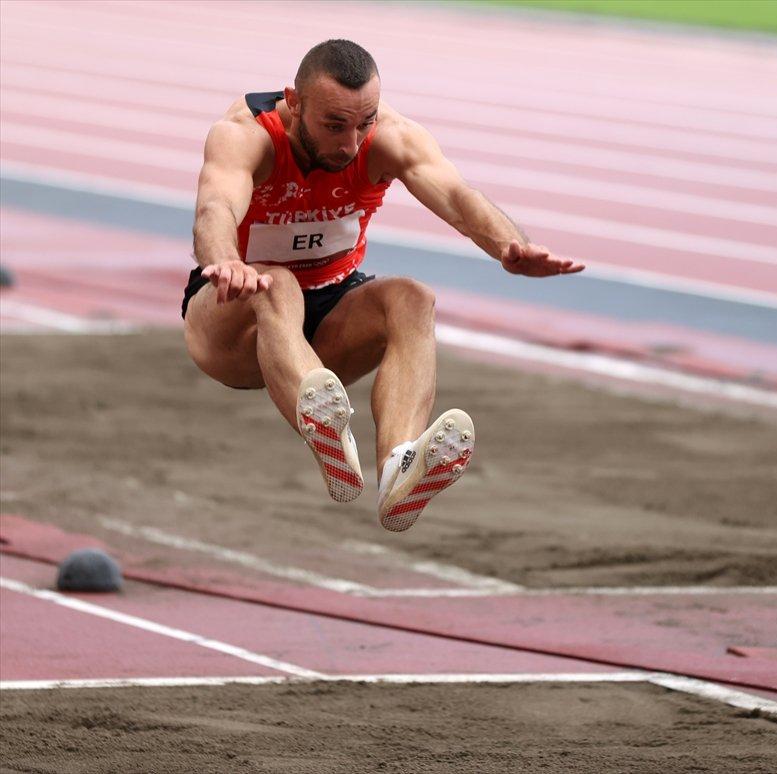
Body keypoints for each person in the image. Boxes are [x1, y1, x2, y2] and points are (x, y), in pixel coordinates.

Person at [183, 39, 584, 532]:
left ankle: (398, 467)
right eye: (334, 126)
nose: (351, 144)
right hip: (236, 319)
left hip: (330, 314)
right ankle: (327, 428)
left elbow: (457, 195)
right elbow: (215, 208)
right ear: (295, 102)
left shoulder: (389, 136)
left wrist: (509, 246)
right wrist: (225, 261)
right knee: (277, 284)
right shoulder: (245, 135)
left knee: (412, 298)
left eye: (363, 123)